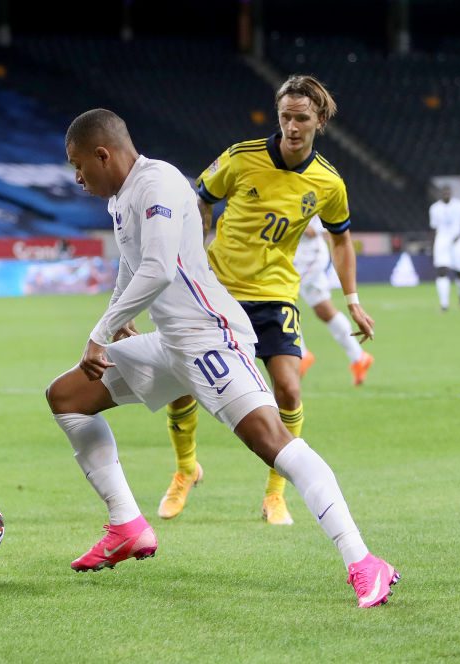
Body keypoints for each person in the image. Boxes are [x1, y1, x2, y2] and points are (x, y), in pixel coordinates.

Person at [46, 108, 398, 608]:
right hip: (170, 343)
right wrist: (119, 317)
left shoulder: (160, 183)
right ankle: (127, 525)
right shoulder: (121, 199)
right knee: (66, 398)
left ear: (103, 154)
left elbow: (160, 268)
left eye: (78, 165)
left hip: (211, 337)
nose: (77, 176)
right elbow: (131, 271)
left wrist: (100, 333)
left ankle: (364, 561)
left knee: (273, 442)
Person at [157, 75, 375, 526]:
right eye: (285, 117)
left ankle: (275, 494)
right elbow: (200, 199)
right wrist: (194, 251)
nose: (292, 127)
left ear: (320, 120)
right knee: (181, 386)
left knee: (289, 389)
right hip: (214, 291)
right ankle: (185, 470)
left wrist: (351, 298)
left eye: (301, 118)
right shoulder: (241, 158)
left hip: (275, 295)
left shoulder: (329, 184)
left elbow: (341, 240)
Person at [294, 215, 374, 385]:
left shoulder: (311, 191)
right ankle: (359, 357)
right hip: (294, 257)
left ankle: (301, 355)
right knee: (324, 310)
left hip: (309, 257)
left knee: (281, 300)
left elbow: (311, 230)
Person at [429, 185, 460, 312]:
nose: (446, 194)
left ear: (451, 193)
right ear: (440, 193)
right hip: (442, 241)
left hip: (457, 241)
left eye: (448, 191)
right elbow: (433, 228)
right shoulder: (434, 208)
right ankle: (444, 304)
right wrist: (432, 247)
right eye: (444, 192)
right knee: (442, 271)